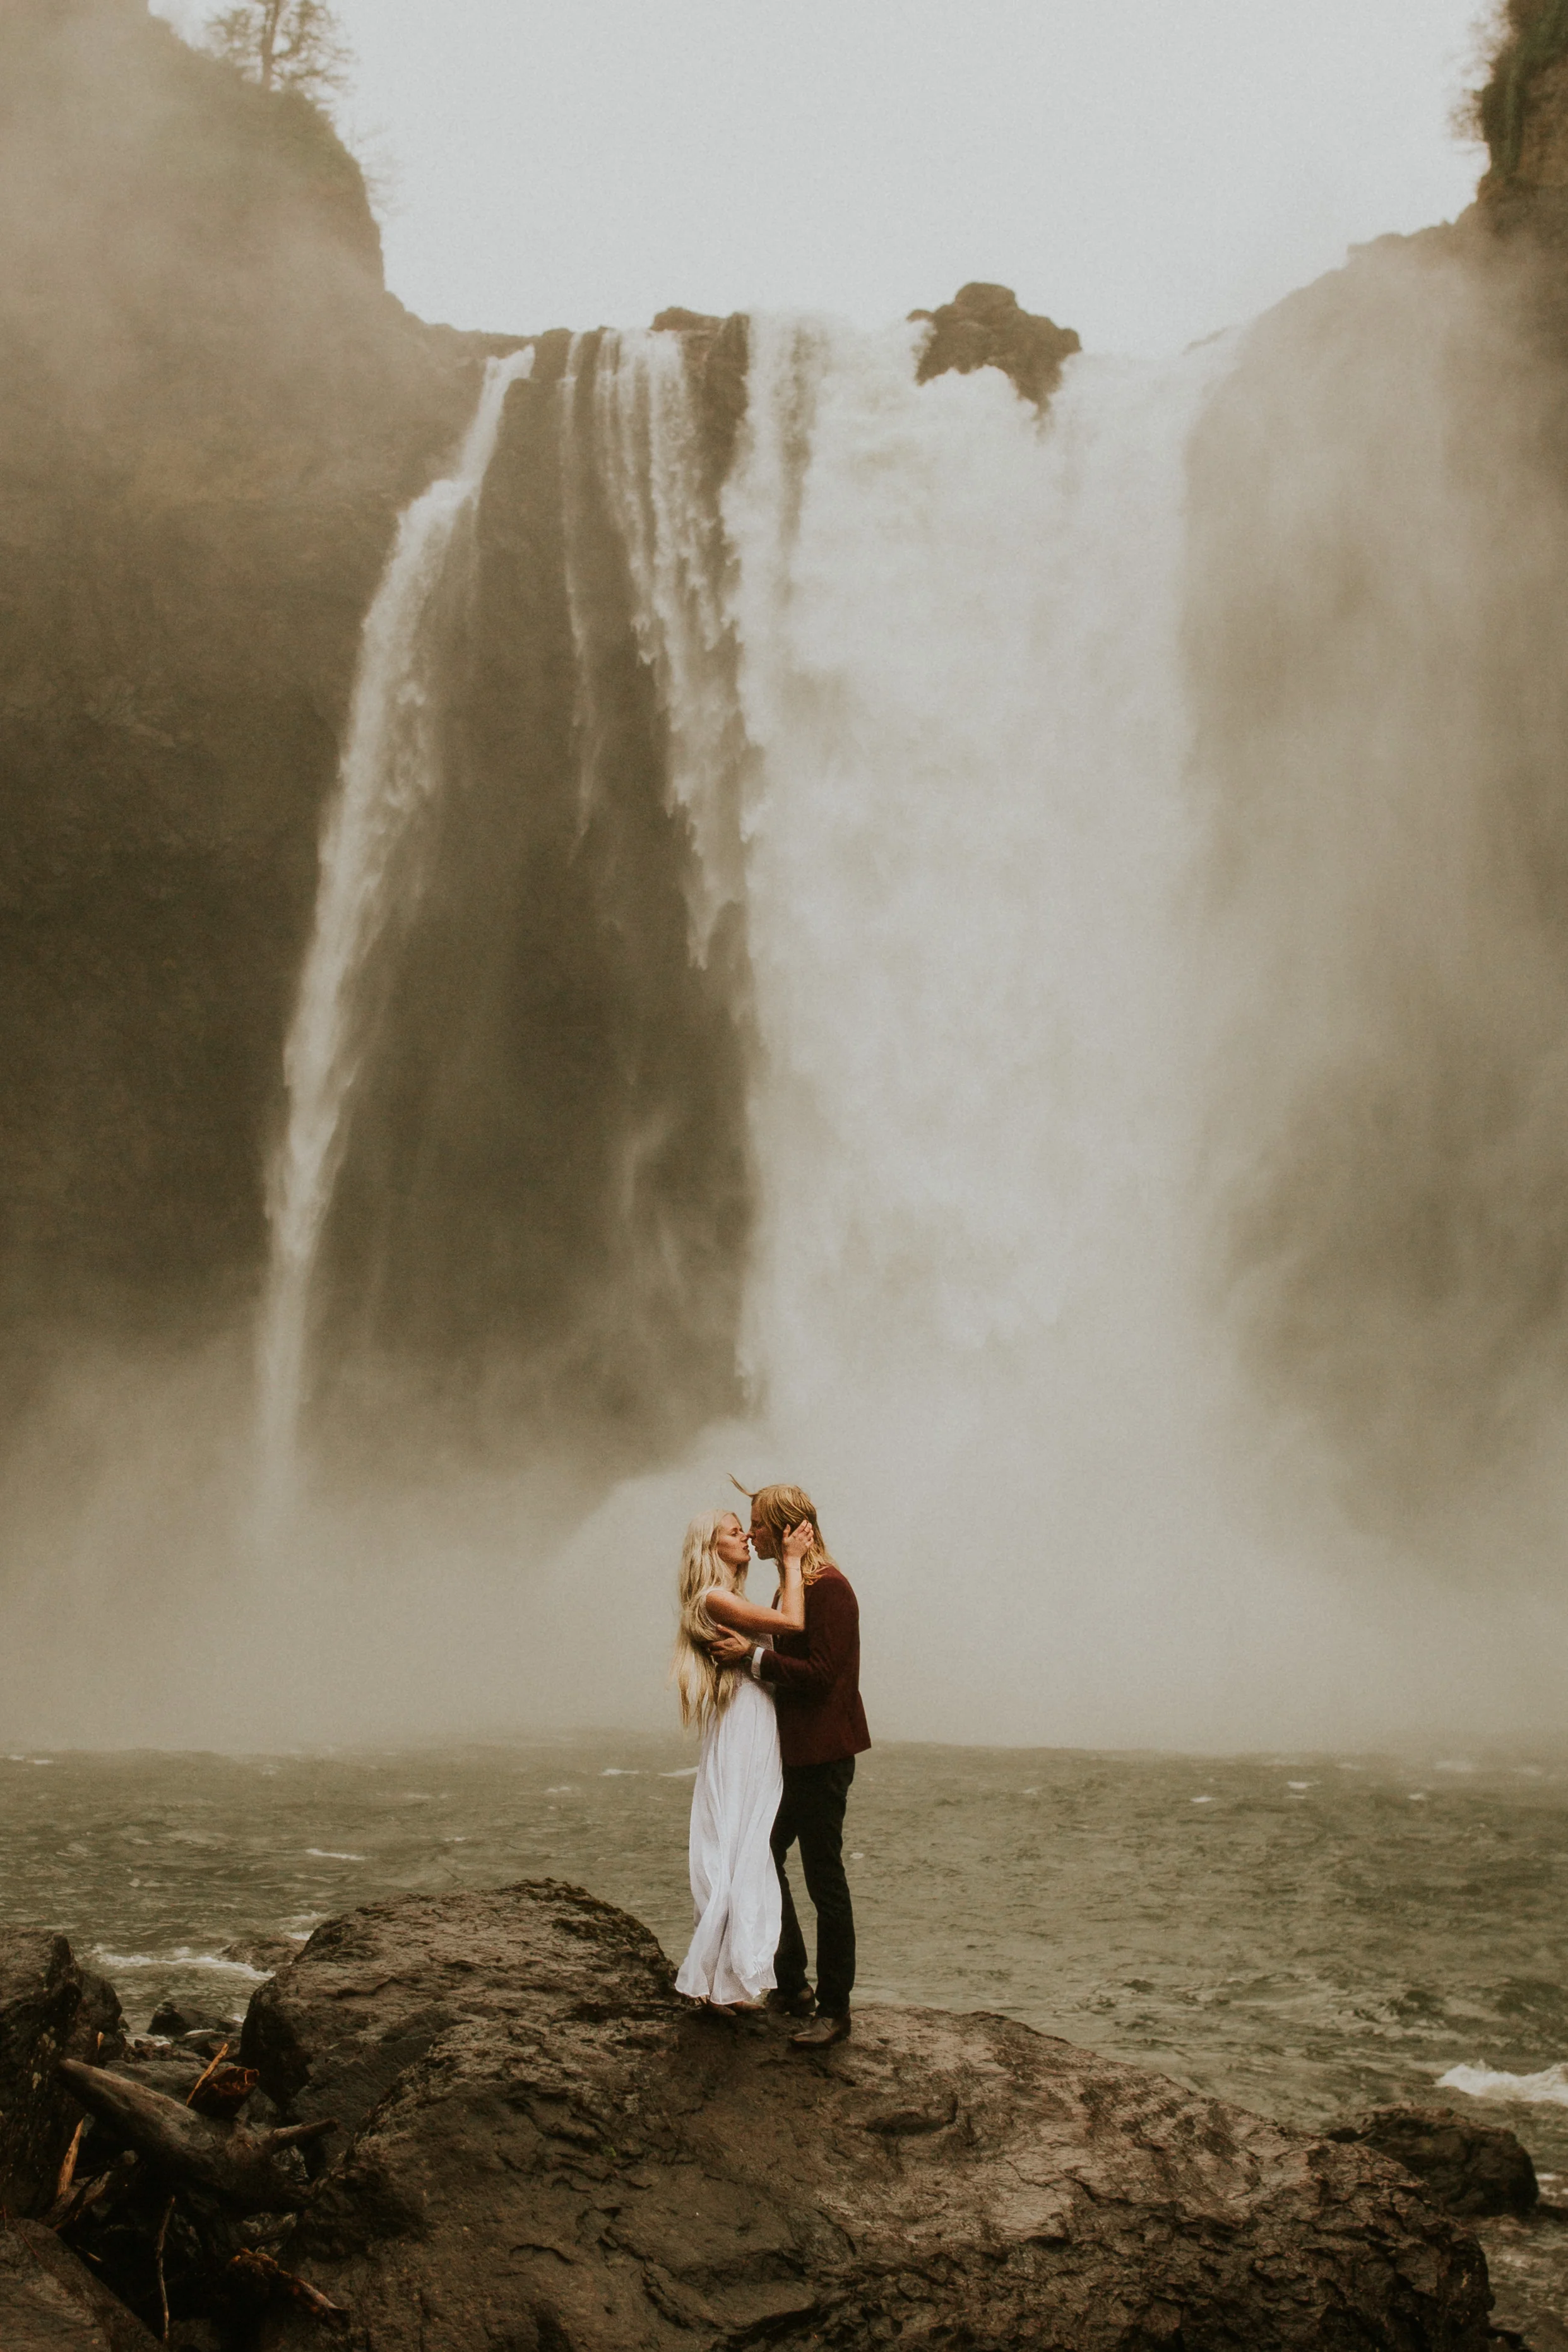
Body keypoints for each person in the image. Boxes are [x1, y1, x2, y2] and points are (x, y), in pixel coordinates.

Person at [710, 1483, 870, 2048]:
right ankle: (792, 1983)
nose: (750, 1534)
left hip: (823, 1759)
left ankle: (835, 2009)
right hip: (798, 1757)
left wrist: (752, 1661)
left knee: (825, 1877)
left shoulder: (829, 1589)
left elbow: (824, 1675)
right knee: (763, 1856)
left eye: (756, 1524)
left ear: (782, 1529)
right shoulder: (795, 1586)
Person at [670, 1507, 812, 2009]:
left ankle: (736, 1972)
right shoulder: (715, 1599)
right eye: (735, 1533)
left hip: (750, 1722)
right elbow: (793, 1623)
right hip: (743, 1726)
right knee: (741, 1841)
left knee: (744, 1841)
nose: (747, 1538)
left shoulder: (728, 1599)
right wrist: (792, 1562)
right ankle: (732, 1977)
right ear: (711, 1546)